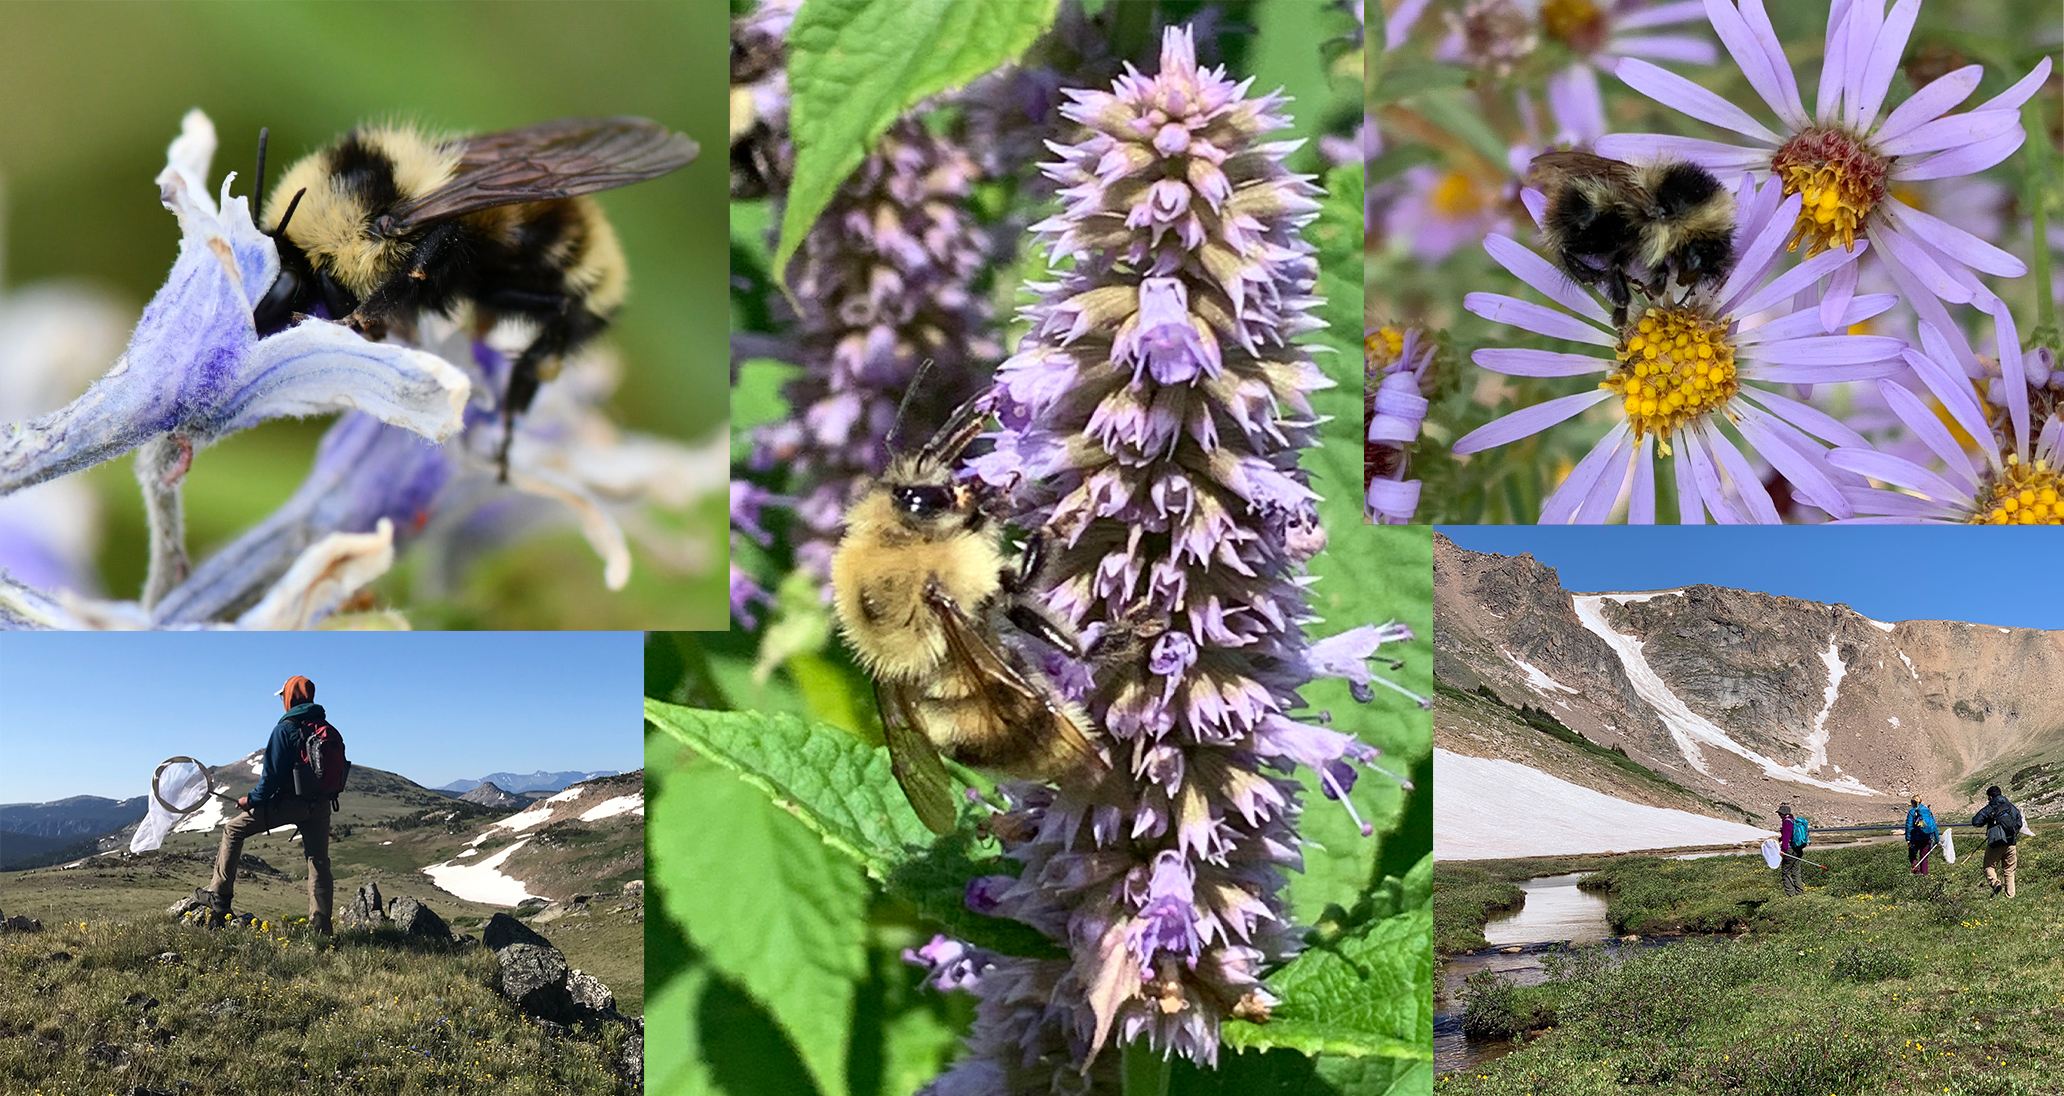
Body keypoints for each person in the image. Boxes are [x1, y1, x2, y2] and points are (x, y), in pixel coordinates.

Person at [204, 675, 336, 933]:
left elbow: (270, 779)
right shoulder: (325, 728)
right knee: (318, 863)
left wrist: (249, 800)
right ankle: (321, 930)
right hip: (320, 805)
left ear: (289, 698)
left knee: (232, 830)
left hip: (288, 804)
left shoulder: (284, 729)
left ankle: (219, 901)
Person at [1970, 785, 2023, 898]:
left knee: (1989, 866)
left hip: (1996, 843)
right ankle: (2010, 896)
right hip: (2011, 843)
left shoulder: (1991, 807)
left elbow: (1975, 821)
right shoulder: (2011, 807)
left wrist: (1990, 821)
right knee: (2009, 870)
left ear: (1990, 797)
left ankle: (1995, 883)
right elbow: (2019, 822)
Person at [1904, 796, 1939, 875]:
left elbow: (1909, 827)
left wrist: (1908, 839)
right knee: (1924, 858)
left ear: (1912, 803)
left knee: (1912, 856)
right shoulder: (1927, 811)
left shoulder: (1912, 812)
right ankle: (1925, 877)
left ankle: (1917, 872)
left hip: (1915, 839)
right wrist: (1937, 840)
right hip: (1927, 838)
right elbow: (1934, 826)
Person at [1777, 803, 1804, 897]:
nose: (1779, 816)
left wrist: (1783, 850)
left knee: (1785, 872)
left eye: (1780, 814)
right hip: (1798, 849)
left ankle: (1791, 895)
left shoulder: (1786, 822)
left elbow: (1786, 837)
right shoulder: (1794, 821)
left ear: (1783, 814)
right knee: (1796, 872)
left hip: (1790, 850)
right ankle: (1800, 893)